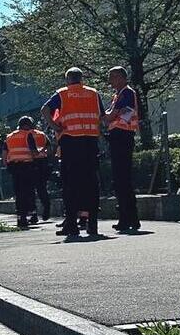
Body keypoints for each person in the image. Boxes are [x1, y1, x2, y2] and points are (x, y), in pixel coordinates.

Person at [41, 67, 104, 239]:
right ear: (81, 79)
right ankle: (92, 225)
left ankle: (72, 226)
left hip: (70, 142)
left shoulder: (63, 94)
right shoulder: (93, 93)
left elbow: (45, 109)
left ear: (68, 79)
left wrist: (54, 126)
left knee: (70, 184)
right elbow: (102, 116)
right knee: (91, 183)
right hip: (90, 141)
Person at [104, 65, 141, 232]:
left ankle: (128, 218)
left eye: (112, 77)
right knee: (121, 179)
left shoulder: (126, 93)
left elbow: (116, 114)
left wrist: (108, 116)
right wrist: (109, 116)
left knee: (122, 179)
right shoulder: (119, 95)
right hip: (119, 136)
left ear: (121, 77)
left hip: (122, 136)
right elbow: (112, 114)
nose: (110, 80)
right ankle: (129, 217)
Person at [3, 116, 40, 229]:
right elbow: (34, 152)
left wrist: (7, 165)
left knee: (19, 193)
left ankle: (20, 217)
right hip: (27, 167)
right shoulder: (28, 135)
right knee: (29, 192)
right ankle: (32, 214)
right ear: (28, 125)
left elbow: (4, 153)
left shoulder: (9, 137)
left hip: (14, 167)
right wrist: (39, 154)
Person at [28, 122, 52, 224]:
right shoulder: (42, 134)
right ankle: (46, 206)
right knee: (42, 187)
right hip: (43, 162)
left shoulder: (25, 134)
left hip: (30, 163)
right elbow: (49, 148)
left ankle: (33, 214)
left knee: (30, 189)